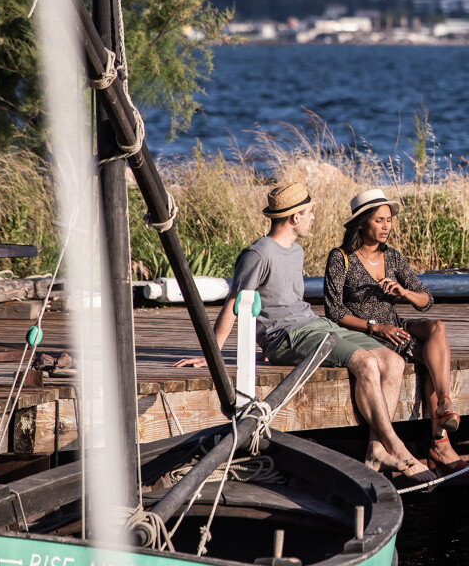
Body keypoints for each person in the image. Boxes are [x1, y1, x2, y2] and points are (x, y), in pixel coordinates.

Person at [173, 182, 436, 486]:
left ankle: (377, 449)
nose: (314, 218)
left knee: (392, 360)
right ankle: (397, 447)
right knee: (364, 362)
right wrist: (212, 355)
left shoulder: (295, 251)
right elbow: (235, 303)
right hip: (285, 336)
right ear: (294, 217)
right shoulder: (258, 254)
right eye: (310, 212)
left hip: (313, 325)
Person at [324, 188, 469, 475]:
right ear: (362, 223)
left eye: (389, 220)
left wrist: (403, 292)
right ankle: (440, 441)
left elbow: (426, 301)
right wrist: (375, 326)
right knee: (429, 359)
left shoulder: (392, 257)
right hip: (366, 333)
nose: (386, 226)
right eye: (379, 220)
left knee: (437, 328)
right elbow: (335, 312)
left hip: (396, 329)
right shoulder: (340, 258)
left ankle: (444, 402)